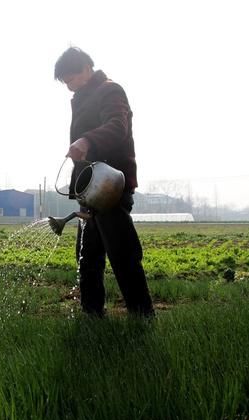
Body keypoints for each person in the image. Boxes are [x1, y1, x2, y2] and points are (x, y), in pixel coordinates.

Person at [54, 47, 154, 317]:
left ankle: (143, 316)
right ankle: (92, 315)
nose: (69, 86)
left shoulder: (110, 91)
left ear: (87, 68)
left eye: (71, 79)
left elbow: (117, 126)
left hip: (110, 188)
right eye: (65, 82)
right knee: (87, 259)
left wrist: (87, 140)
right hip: (90, 192)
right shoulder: (82, 97)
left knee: (123, 256)